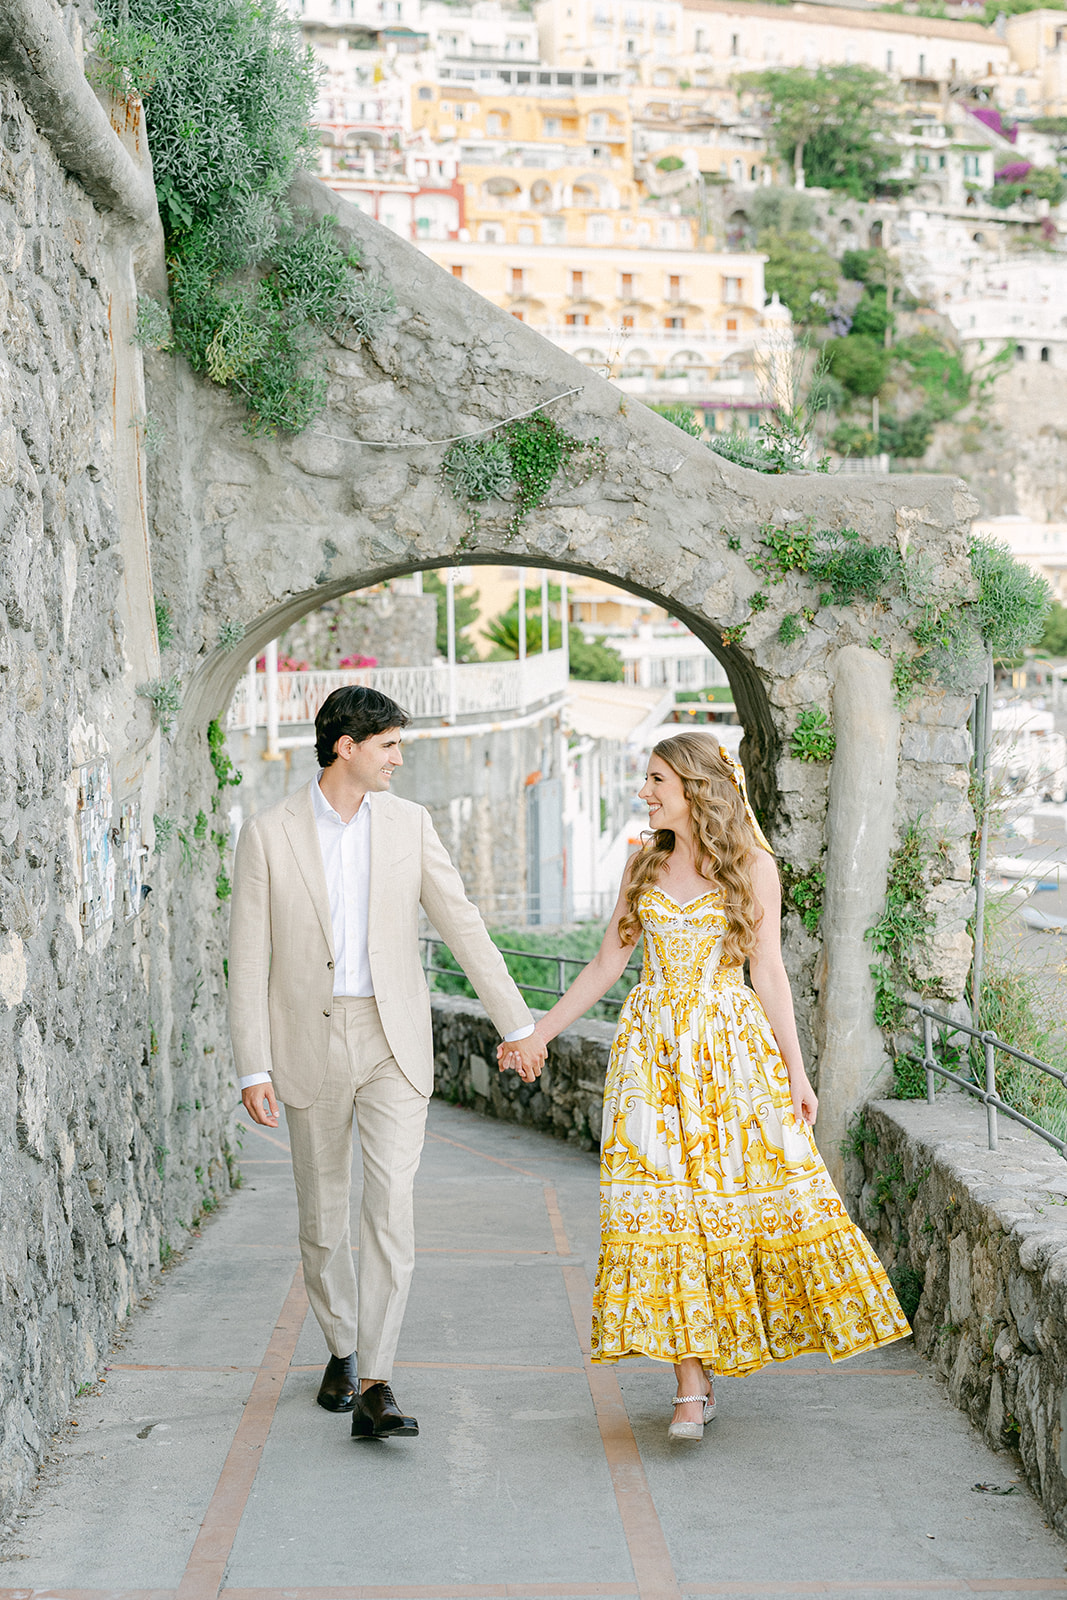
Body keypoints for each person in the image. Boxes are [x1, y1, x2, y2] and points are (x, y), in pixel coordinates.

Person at [501, 731, 909, 1442]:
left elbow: (769, 973)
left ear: (693, 786)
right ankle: (689, 1383)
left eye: (656, 779)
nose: (645, 791)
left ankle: (715, 1363)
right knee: (663, 1212)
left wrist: (795, 1069)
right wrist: (540, 1033)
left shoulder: (751, 866)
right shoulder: (641, 864)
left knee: (733, 1206)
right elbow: (605, 967)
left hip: (728, 1056)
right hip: (649, 1064)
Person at [229, 685, 546, 1442]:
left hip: (393, 1040)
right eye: (389, 746)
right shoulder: (269, 833)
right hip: (307, 1038)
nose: (400, 760)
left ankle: (376, 1378)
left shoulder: (410, 825)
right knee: (322, 1217)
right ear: (347, 746)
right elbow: (246, 958)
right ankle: (341, 1345)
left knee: (390, 1206)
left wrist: (519, 1024)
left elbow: (460, 921)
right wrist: (253, 1066)